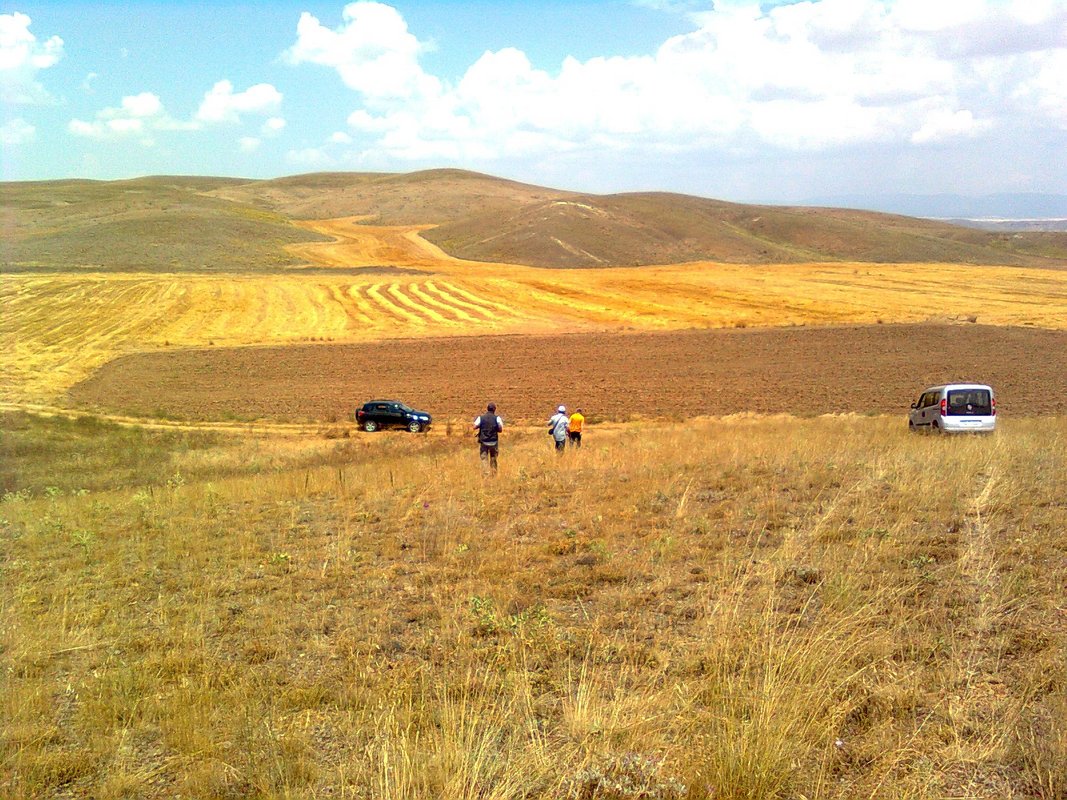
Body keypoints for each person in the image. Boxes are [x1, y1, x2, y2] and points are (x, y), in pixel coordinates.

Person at [473, 402, 503, 474]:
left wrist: (481, 426)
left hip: (483, 441)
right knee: (493, 458)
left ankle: (486, 474)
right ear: (494, 409)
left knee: (484, 458)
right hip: (494, 442)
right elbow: (500, 429)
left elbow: (474, 427)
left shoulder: (481, 418)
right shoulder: (497, 418)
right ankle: (493, 473)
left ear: (487, 409)